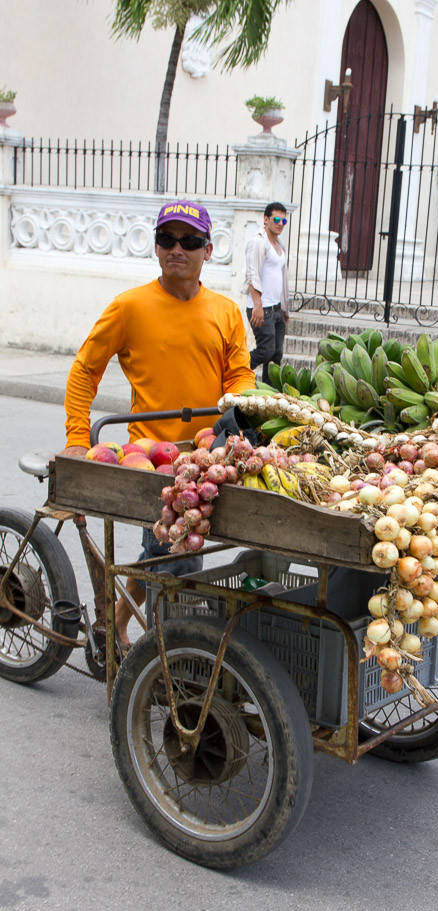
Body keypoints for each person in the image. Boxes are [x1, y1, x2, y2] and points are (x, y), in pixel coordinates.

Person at [61, 199, 255, 648]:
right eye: (167, 239)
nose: (176, 249)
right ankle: (166, 658)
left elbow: (239, 376)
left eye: (189, 241)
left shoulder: (226, 311)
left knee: (163, 550)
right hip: (151, 460)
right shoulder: (129, 307)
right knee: (179, 557)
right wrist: (76, 437)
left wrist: (244, 407)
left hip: (210, 458)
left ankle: (115, 624)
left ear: (208, 250)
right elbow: (85, 370)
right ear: (155, 246)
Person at [243, 202, 290, 384]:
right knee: (265, 351)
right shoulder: (258, 242)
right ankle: (235, 370)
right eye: (276, 219)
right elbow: (252, 275)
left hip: (276, 309)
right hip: (261, 308)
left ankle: (269, 392)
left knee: (276, 356)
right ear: (266, 219)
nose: (280, 224)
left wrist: (284, 309)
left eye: (284, 221)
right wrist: (257, 305)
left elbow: (282, 279)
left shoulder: (280, 246)